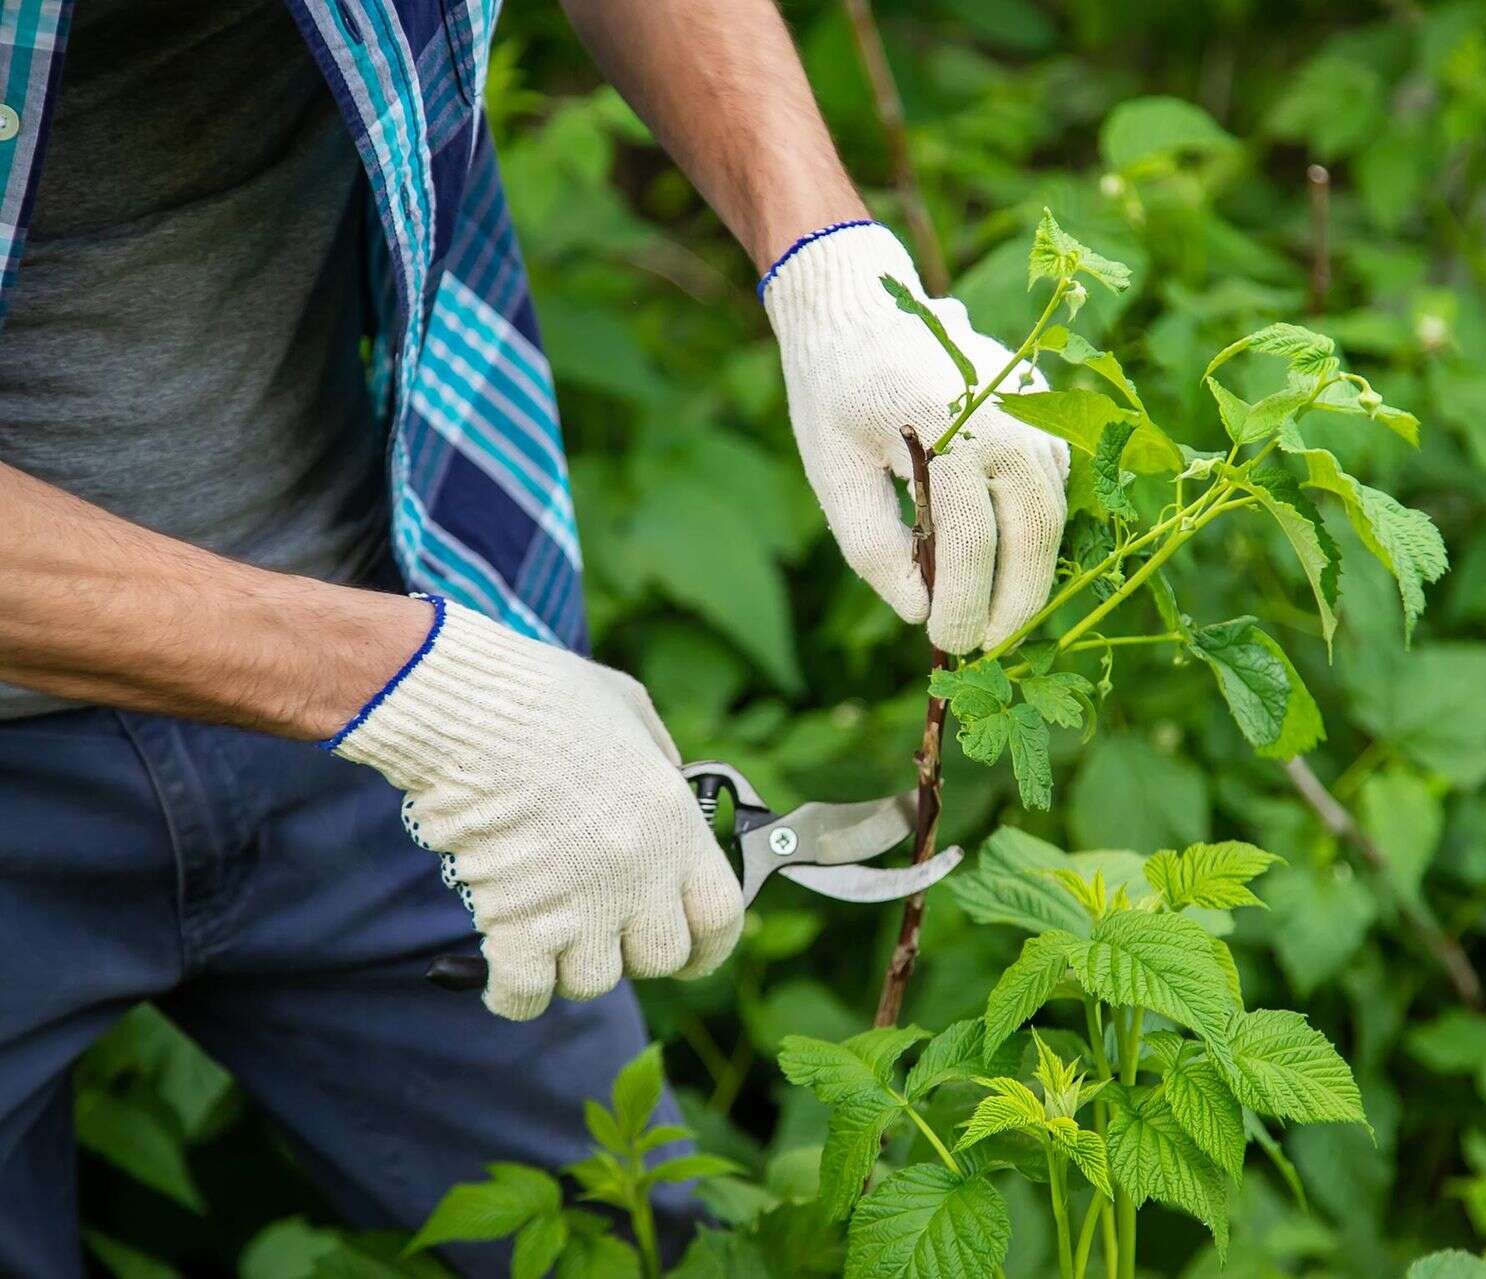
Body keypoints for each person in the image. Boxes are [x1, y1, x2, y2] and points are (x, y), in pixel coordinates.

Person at [0, 0, 1069, 1270]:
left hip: (386, 616)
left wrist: (828, 259)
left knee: (616, 1238)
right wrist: (418, 693)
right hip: (396, 689)